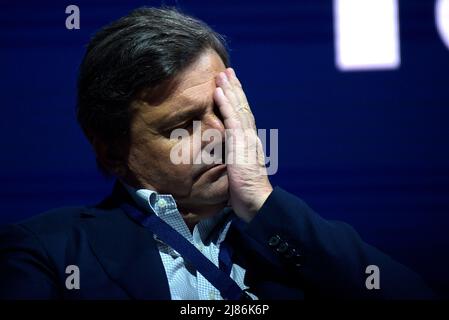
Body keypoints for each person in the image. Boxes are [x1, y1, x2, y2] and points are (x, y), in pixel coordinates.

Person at [0, 7, 435, 300]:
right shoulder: (50, 252)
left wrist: (262, 204)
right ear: (113, 150)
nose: (218, 136)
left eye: (223, 110)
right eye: (180, 126)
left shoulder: (290, 240)